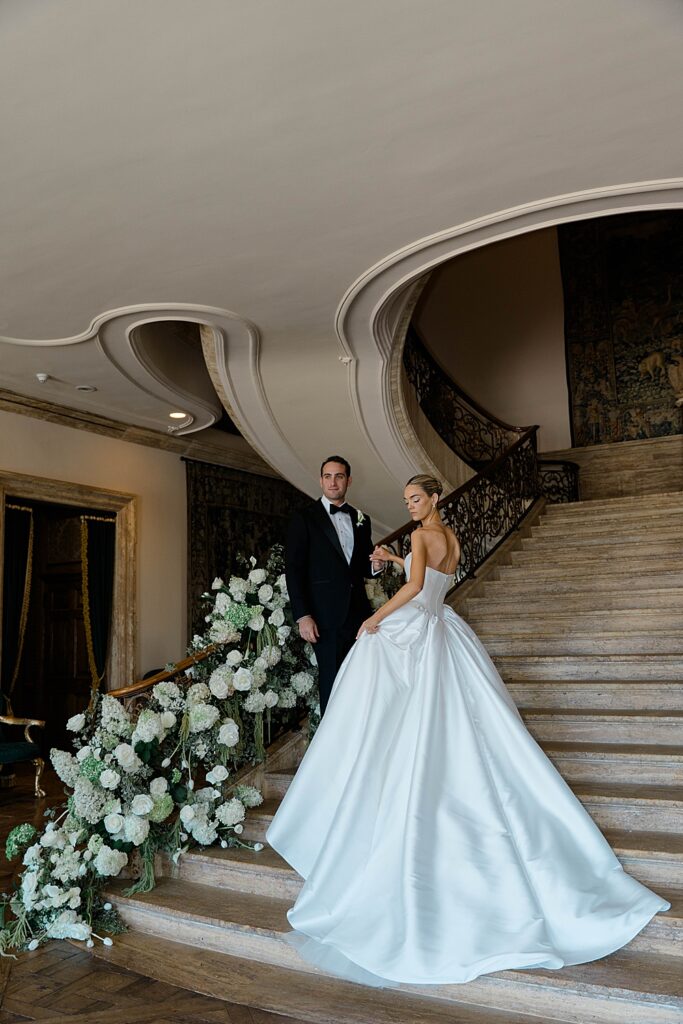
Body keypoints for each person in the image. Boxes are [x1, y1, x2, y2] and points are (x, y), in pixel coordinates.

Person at [267, 474, 670, 987]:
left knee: (379, 685)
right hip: (444, 629)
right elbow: (433, 582)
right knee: (461, 721)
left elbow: (415, 591)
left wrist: (376, 618)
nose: (410, 506)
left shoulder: (419, 534)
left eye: (416, 498)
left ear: (434, 497)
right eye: (406, 500)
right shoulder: (452, 537)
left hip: (417, 627)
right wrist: (395, 564)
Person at [285, 456, 382, 715]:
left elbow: (361, 566)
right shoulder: (304, 518)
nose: (333, 482)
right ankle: (332, 748)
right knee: (332, 683)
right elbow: (293, 570)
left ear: (348, 481)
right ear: (320, 480)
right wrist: (303, 615)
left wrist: (376, 567)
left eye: (339, 476)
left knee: (361, 682)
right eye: (327, 476)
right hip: (324, 618)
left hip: (359, 617)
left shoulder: (362, 519)